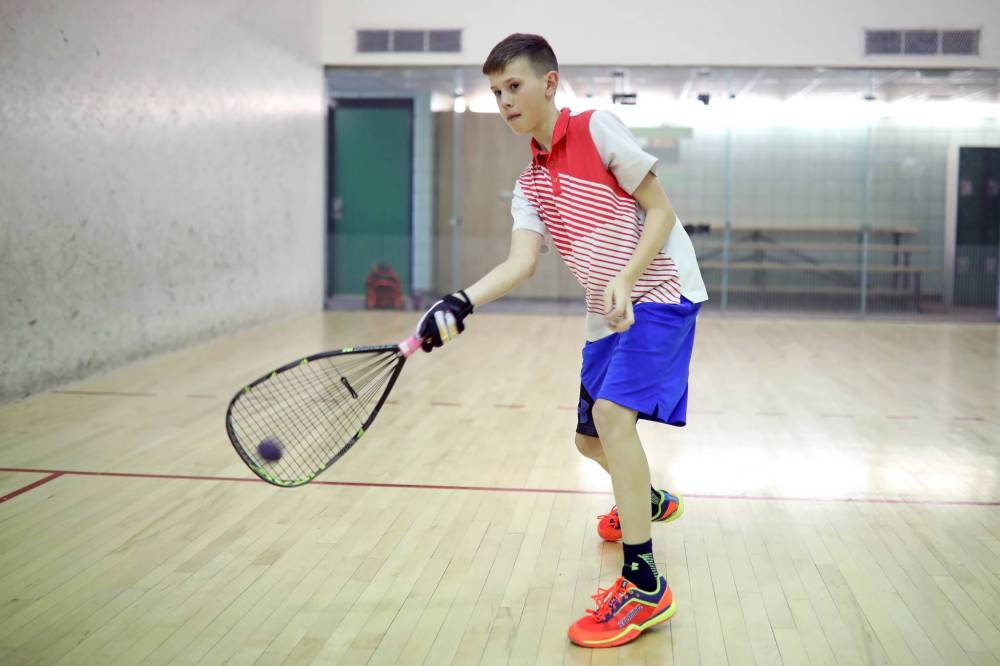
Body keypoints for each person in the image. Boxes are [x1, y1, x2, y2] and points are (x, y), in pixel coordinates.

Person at [416, 33, 707, 648]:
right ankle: (645, 497)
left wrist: (628, 277)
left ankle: (644, 583)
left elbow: (661, 210)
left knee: (611, 415)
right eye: (495, 93)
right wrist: (459, 302)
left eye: (513, 86)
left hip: (660, 292)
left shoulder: (598, 129)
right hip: (606, 311)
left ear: (549, 83)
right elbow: (519, 263)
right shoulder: (531, 184)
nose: (504, 101)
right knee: (587, 439)